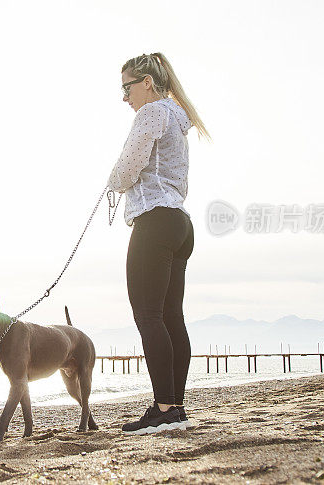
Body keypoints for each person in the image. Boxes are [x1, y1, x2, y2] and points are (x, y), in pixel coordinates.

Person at [107, 52, 211, 434]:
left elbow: (128, 165)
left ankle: (165, 408)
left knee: (148, 317)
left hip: (154, 221)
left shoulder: (151, 114)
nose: (124, 97)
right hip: (180, 224)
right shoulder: (178, 118)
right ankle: (175, 406)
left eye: (126, 87)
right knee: (171, 317)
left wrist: (113, 181)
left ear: (146, 83)